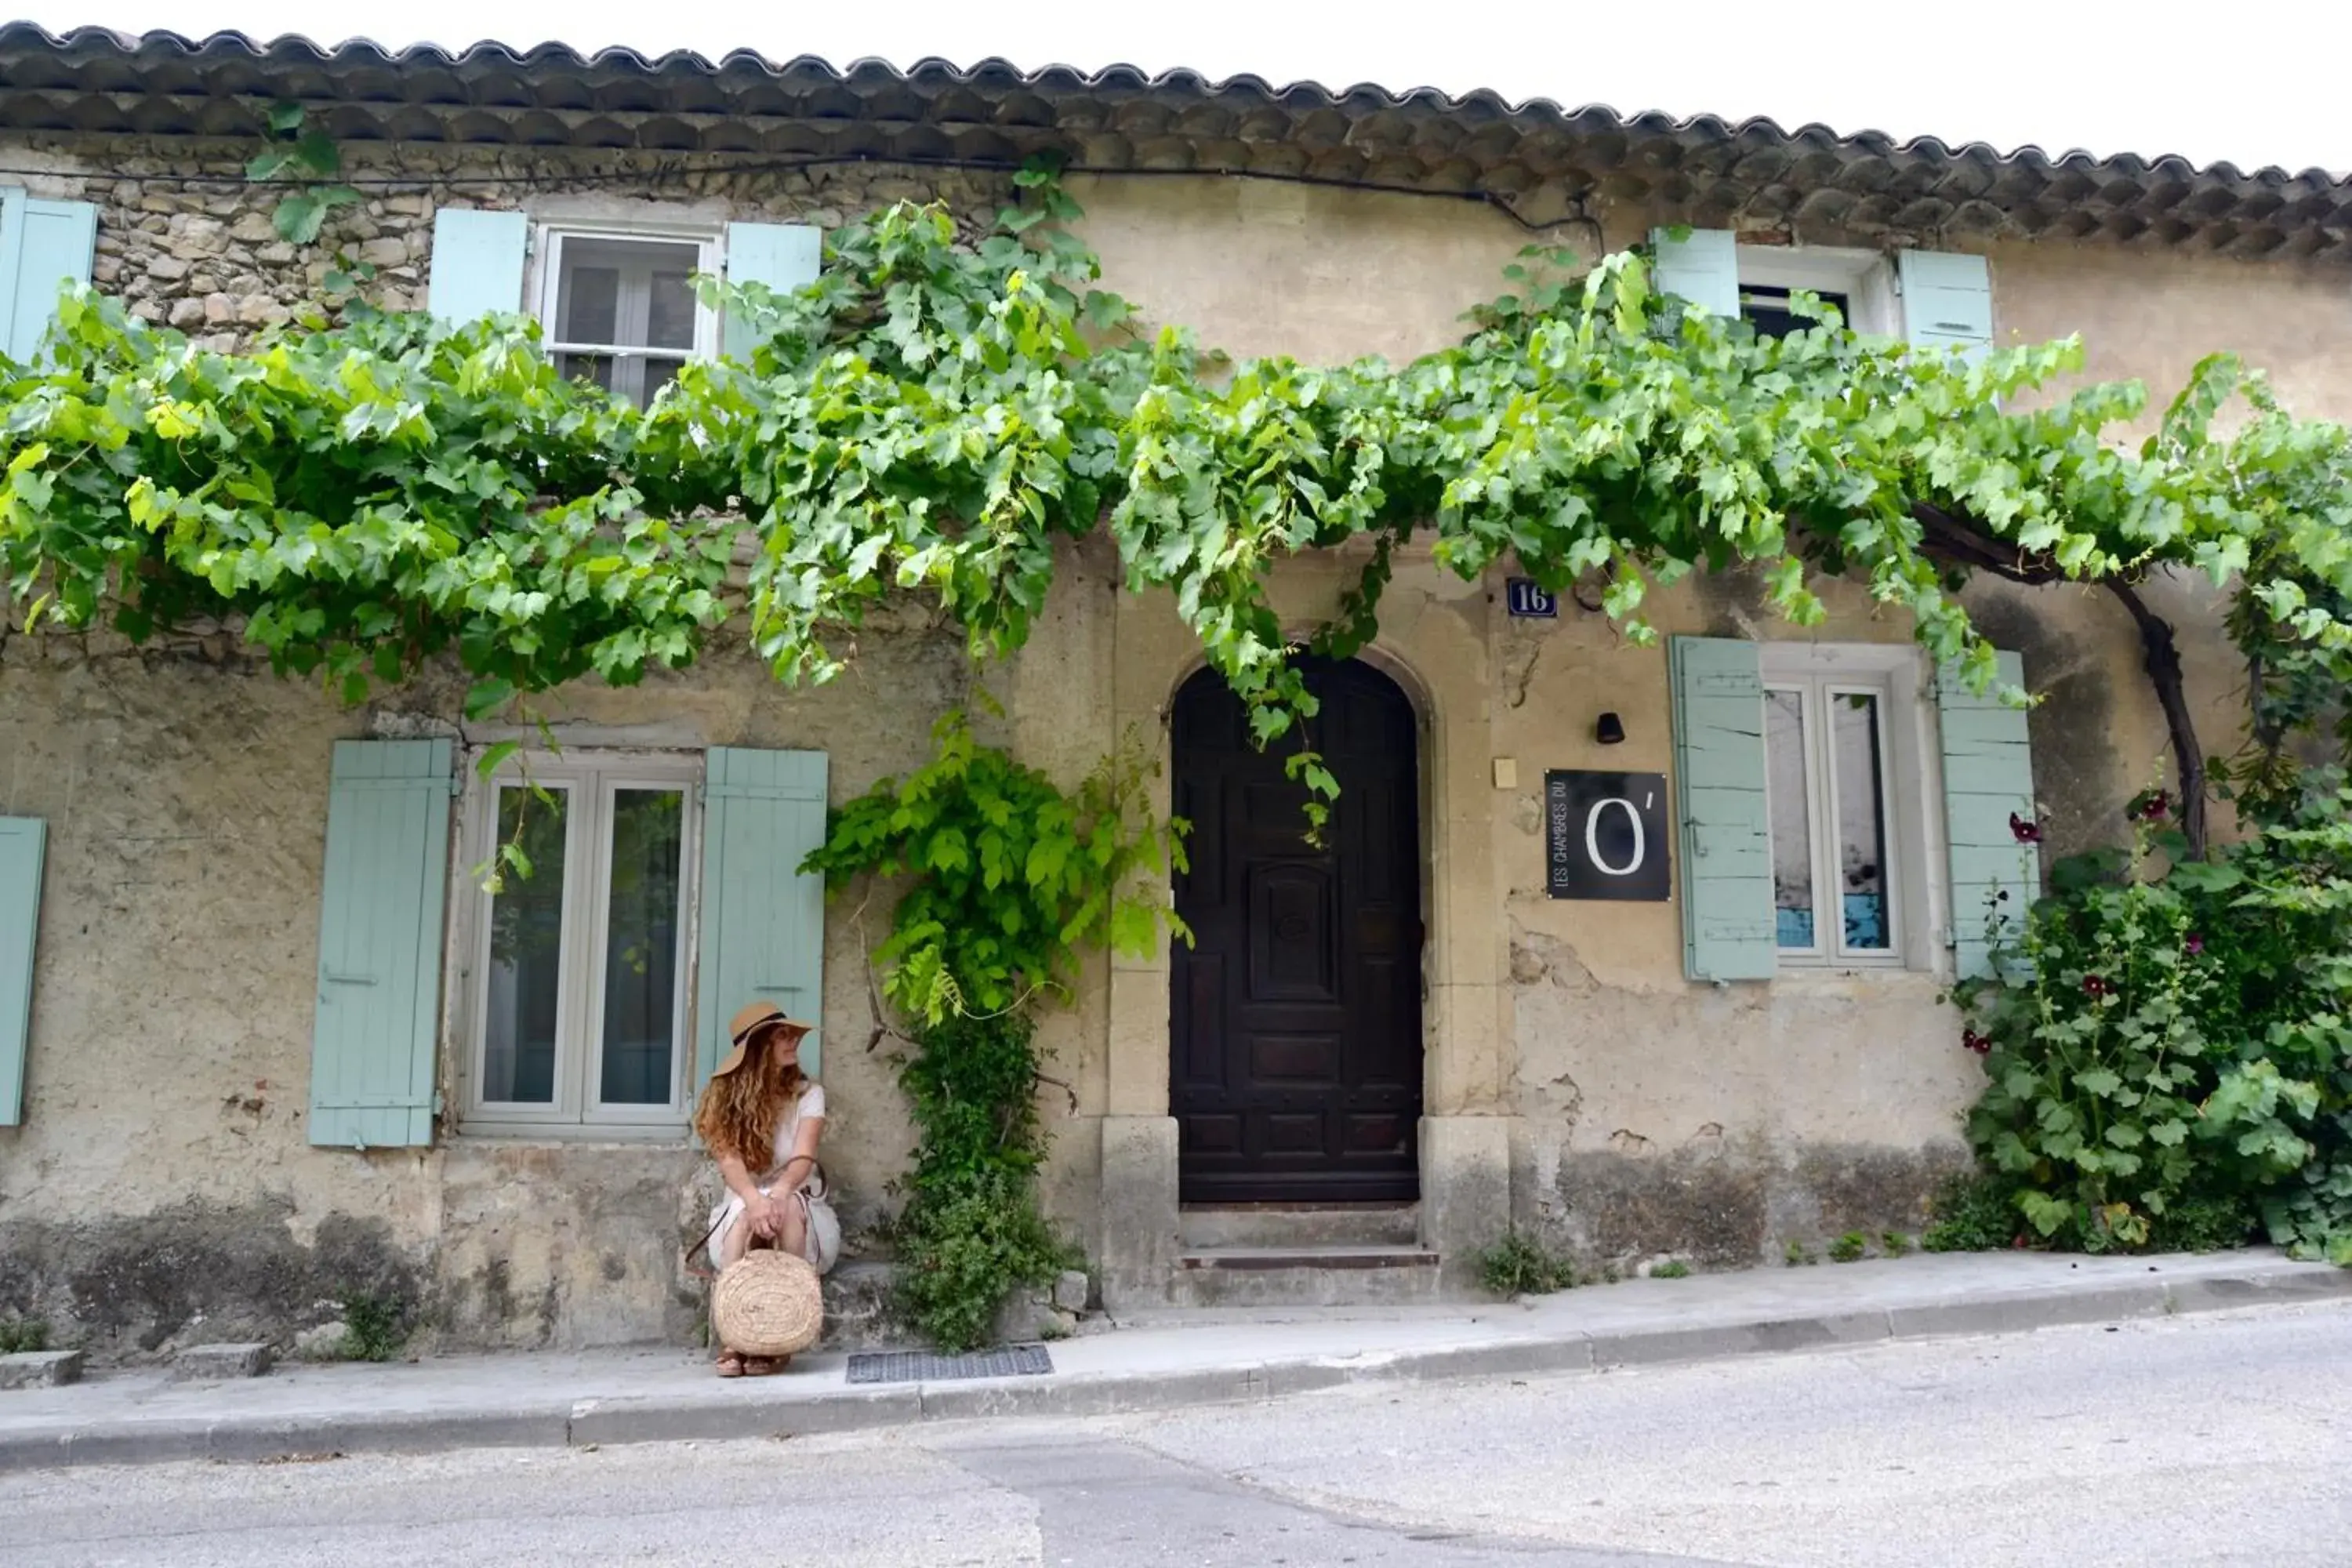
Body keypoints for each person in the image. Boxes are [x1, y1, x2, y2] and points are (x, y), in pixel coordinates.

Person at [695, 1000, 840, 1377]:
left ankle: (781, 1333)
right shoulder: (724, 1098)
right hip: (743, 1207)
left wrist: (778, 1193)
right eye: (782, 1036)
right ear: (758, 1048)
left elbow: (803, 1157)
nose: (793, 1042)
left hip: (798, 1209)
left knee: (787, 1207)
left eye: (793, 1035)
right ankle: (734, 1335)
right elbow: (730, 1162)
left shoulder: (809, 1094)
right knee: (747, 1212)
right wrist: (754, 1200)